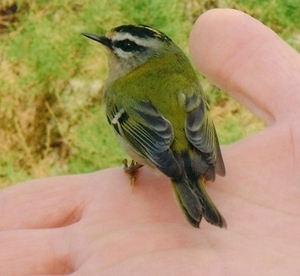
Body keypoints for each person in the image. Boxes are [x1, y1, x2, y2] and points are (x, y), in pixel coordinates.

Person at [1, 8, 300, 275]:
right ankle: (196, 185)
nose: (110, 47)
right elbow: (199, 115)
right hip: (194, 134)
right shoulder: (177, 71)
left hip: (152, 141)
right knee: (185, 154)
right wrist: (204, 154)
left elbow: (142, 132)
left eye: (125, 46)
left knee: (169, 164)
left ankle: (167, 178)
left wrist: (145, 163)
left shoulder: (118, 90)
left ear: (145, 55)